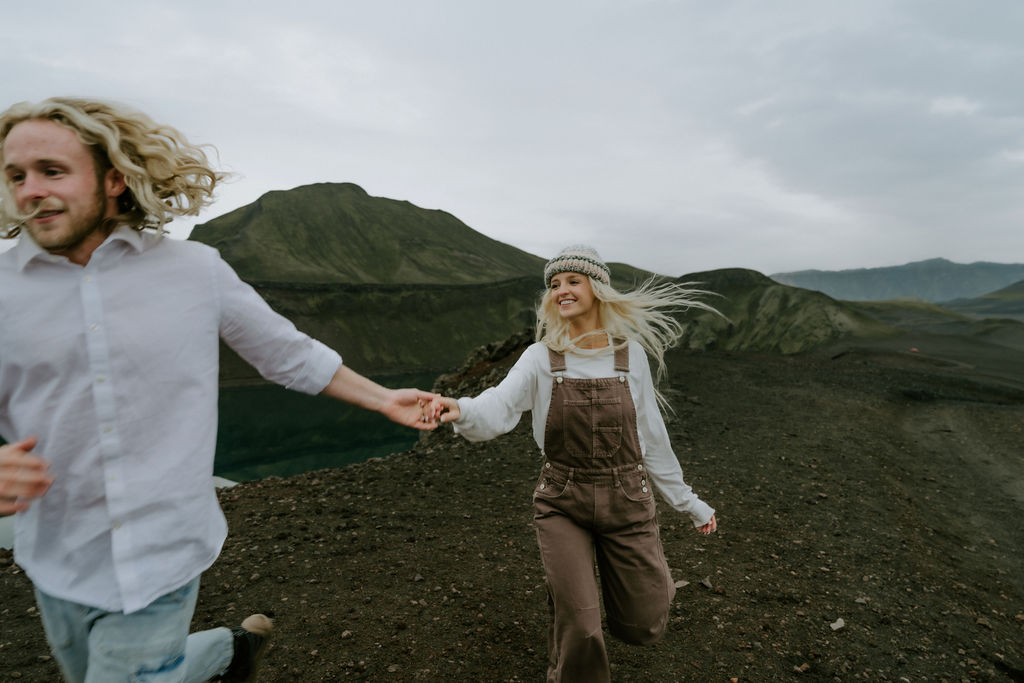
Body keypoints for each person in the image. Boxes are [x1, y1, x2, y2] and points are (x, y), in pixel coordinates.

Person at [0, 97, 439, 683]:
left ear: (113, 179)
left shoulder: (193, 270)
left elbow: (287, 353)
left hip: (165, 552)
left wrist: (383, 398)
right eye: (15, 175)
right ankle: (232, 651)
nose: (30, 190)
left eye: (52, 171)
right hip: (56, 556)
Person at [429, 245, 719, 682]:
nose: (561, 290)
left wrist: (689, 502)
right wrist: (461, 409)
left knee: (646, 619)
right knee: (581, 629)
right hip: (563, 501)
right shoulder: (540, 358)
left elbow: (652, 438)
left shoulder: (630, 356)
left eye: (572, 281)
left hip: (628, 497)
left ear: (597, 288)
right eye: (554, 284)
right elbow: (499, 406)